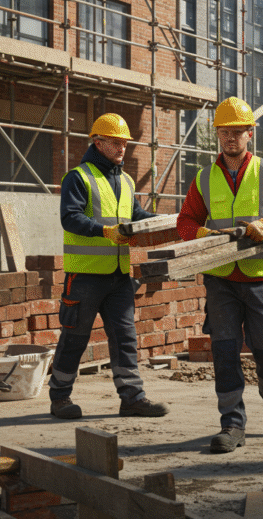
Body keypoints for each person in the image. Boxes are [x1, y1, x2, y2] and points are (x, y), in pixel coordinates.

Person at [177, 97, 263, 453]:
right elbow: (185, 221)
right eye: (224, 132)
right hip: (221, 280)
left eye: (237, 132)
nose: (230, 138)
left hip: (261, 277)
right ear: (216, 134)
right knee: (225, 350)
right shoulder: (204, 177)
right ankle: (232, 424)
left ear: (250, 133)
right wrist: (200, 234)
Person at [49, 114, 169, 420]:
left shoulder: (126, 180)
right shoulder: (78, 177)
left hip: (119, 276)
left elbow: (135, 214)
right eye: (116, 142)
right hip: (85, 275)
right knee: (75, 337)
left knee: (125, 337)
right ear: (97, 142)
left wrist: (166, 222)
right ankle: (60, 398)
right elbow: (70, 217)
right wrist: (103, 231)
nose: (122, 149)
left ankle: (132, 398)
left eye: (125, 143)